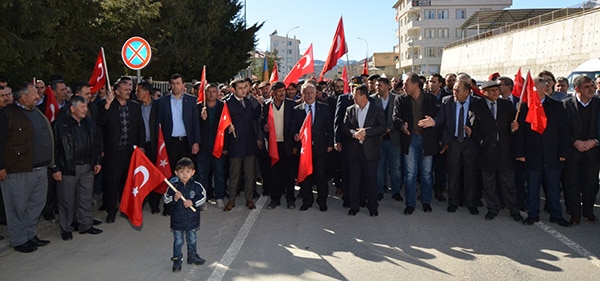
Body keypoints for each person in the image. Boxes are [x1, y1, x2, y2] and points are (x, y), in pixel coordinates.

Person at [0, 82, 53, 253]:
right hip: (18, 169)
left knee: (36, 204)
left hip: (40, 168)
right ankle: (19, 240)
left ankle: (31, 235)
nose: (38, 96)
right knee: (17, 206)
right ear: (23, 97)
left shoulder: (36, 112)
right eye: (34, 94)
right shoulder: (7, 114)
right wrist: (1, 167)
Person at [419, 80, 481, 215]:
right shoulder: (447, 101)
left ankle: (470, 202)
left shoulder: (477, 102)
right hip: (454, 142)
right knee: (453, 173)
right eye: (453, 89)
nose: (454, 92)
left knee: (470, 173)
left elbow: (482, 123)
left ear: (467, 92)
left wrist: (474, 132)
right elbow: (441, 117)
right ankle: (453, 201)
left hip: (470, 143)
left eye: (457, 90)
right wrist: (433, 122)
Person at [515, 76, 570, 226]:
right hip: (532, 155)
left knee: (553, 188)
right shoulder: (525, 107)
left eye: (534, 88)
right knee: (532, 188)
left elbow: (564, 131)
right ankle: (533, 214)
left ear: (544, 88)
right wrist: (520, 153)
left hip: (553, 155)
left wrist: (563, 152)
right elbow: (520, 133)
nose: (531, 91)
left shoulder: (557, 106)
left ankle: (556, 214)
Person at [470, 80, 522, 221]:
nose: (495, 92)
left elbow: (512, 125)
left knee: (508, 182)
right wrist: (481, 142)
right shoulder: (477, 106)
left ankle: (514, 208)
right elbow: (472, 129)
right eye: (491, 90)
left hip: (504, 150)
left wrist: (514, 128)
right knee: (489, 183)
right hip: (486, 150)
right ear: (484, 92)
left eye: (496, 89)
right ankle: (493, 208)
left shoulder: (506, 105)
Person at [52, 96, 103, 240]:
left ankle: (85, 224)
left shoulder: (89, 123)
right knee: (66, 200)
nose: (85, 109)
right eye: (82, 107)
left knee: (85, 198)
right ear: (72, 109)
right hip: (68, 168)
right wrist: (55, 168)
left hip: (87, 166)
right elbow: (54, 149)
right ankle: (66, 228)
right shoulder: (60, 125)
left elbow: (96, 144)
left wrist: (97, 161)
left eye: (86, 107)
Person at [96, 80, 145, 223]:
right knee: (112, 183)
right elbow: (100, 123)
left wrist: (141, 146)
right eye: (125, 89)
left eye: (129, 89)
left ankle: (126, 209)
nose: (128, 91)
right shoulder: (106, 106)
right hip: (113, 152)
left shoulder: (135, 107)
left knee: (127, 182)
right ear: (117, 92)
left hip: (130, 151)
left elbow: (140, 127)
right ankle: (111, 211)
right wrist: (107, 104)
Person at [393, 73, 439, 214]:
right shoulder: (401, 99)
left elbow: (439, 116)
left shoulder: (430, 98)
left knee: (426, 173)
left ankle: (426, 201)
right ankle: (410, 204)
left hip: (427, 139)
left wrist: (433, 122)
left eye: (406, 84)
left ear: (415, 84)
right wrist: (402, 126)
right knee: (410, 174)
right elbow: (396, 117)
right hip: (410, 139)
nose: (403, 86)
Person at [342, 85, 386, 216]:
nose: (352, 97)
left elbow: (383, 127)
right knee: (354, 180)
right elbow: (344, 127)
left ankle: (372, 206)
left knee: (371, 180)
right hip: (355, 150)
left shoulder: (376, 110)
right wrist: (353, 134)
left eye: (355, 95)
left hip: (370, 151)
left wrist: (366, 132)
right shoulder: (350, 110)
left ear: (363, 96)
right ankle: (354, 206)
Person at [563, 75, 600, 224]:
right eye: (587, 87)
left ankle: (588, 211)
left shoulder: (598, 104)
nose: (591, 89)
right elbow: (562, 130)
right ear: (577, 89)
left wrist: (595, 141)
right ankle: (575, 212)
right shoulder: (565, 105)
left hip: (593, 151)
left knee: (591, 184)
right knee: (572, 183)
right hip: (573, 151)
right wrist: (574, 142)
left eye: (592, 86)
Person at [293, 82, 334, 211]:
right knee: (306, 177)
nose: (308, 95)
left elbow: (330, 128)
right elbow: (293, 129)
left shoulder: (324, 108)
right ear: (302, 94)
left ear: (316, 93)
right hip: (304, 150)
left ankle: (322, 201)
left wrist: (330, 144)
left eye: (311, 92)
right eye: (305, 93)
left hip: (320, 148)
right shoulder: (297, 110)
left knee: (321, 176)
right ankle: (307, 200)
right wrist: (295, 137)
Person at [223, 78, 261, 211]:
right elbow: (222, 123)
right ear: (233, 89)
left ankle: (249, 200)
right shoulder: (227, 104)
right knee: (234, 175)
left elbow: (255, 117)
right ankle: (231, 200)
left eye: (245, 87)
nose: (243, 90)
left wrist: (260, 104)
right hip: (235, 143)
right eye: (240, 88)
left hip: (249, 143)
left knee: (250, 174)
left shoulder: (249, 102)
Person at [163, 157, 206, 272]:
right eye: (181, 172)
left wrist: (193, 202)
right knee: (178, 241)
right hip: (177, 220)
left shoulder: (197, 186)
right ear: (176, 173)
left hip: (192, 219)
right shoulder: (173, 186)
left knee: (192, 239)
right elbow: (166, 200)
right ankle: (177, 260)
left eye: (188, 171)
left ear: (193, 172)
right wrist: (174, 198)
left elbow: (203, 197)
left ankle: (192, 256)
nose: (185, 174)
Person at [262, 82, 297, 210]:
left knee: (289, 173)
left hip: (287, 144)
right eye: (279, 91)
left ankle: (290, 199)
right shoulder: (266, 106)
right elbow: (262, 121)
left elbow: (295, 126)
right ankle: (275, 199)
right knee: (274, 174)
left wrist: (295, 145)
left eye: (283, 90)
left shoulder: (291, 105)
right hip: (273, 144)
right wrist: (264, 127)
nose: (282, 93)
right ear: (273, 93)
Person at [371, 77, 403, 202]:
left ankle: (396, 191)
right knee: (379, 167)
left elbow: (400, 116)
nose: (377, 87)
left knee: (395, 167)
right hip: (378, 140)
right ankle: (379, 191)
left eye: (380, 85)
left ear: (388, 86)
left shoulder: (397, 98)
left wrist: (390, 128)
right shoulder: (372, 100)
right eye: (376, 85)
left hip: (394, 139)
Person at [196, 83, 227, 209]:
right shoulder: (199, 107)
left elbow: (226, 127)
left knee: (219, 173)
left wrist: (226, 147)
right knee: (202, 174)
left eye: (214, 91)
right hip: (203, 147)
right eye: (209, 91)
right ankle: (203, 199)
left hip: (218, 146)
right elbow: (194, 126)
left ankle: (219, 197)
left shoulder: (223, 107)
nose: (211, 94)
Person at [136, 82, 160, 214]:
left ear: (146, 92)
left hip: (155, 145)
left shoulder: (158, 106)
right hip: (141, 146)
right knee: (142, 175)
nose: (136, 93)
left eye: (138, 90)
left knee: (155, 174)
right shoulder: (136, 107)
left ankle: (154, 203)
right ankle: (141, 201)